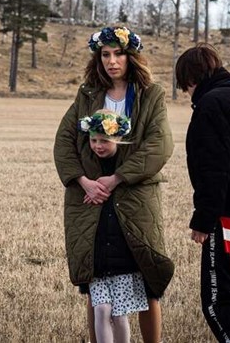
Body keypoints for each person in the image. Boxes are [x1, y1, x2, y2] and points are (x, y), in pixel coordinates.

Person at [54, 25, 174, 343]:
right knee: (96, 283)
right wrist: (84, 182)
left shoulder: (150, 95)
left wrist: (117, 177)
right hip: (92, 200)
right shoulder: (88, 94)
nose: (111, 61)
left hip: (135, 200)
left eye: (118, 54)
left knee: (147, 282)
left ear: (131, 56)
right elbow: (64, 142)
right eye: (105, 55)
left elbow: (159, 145)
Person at [175, 44, 230, 343]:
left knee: (218, 303)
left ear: (190, 79)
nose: (188, 94)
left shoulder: (211, 105)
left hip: (226, 218)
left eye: (185, 86)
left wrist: (203, 221)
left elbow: (213, 170)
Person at [77, 109, 148, 343]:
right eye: (93, 140)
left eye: (104, 141)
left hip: (122, 254)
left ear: (118, 138)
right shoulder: (87, 165)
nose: (98, 146)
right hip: (97, 253)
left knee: (119, 314)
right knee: (101, 309)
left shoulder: (126, 166)